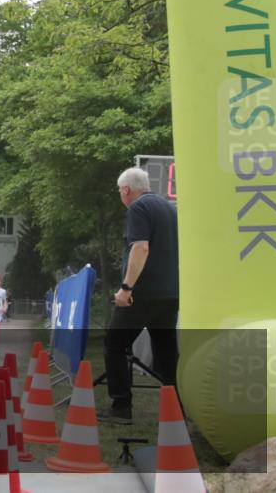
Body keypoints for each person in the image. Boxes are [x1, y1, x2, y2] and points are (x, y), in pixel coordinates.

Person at [99, 167, 179, 424]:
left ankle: (121, 407)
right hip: (169, 293)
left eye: (119, 191)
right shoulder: (169, 209)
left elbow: (141, 248)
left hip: (142, 294)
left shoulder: (137, 208)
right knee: (166, 353)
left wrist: (126, 287)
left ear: (125, 190)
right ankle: (176, 410)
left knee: (115, 343)